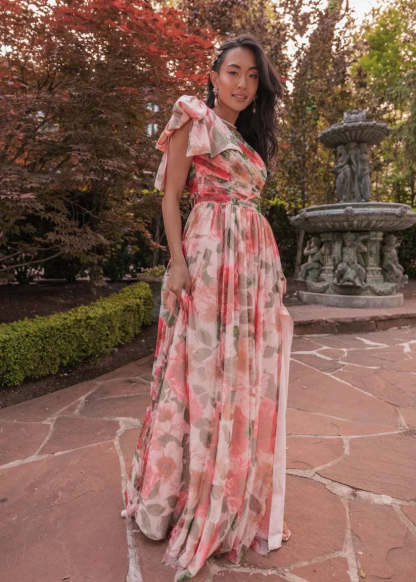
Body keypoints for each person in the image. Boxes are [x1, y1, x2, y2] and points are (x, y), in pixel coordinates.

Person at [121, 33, 294, 581]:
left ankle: (229, 495)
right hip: (207, 256)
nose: (242, 84)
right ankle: (179, 496)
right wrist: (177, 263)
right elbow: (171, 196)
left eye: (252, 77)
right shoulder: (192, 118)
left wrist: (273, 272)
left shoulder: (247, 138)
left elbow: (252, 206)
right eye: (233, 72)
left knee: (239, 380)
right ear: (214, 75)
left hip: (251, 264)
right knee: (197, 376)